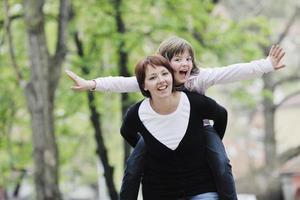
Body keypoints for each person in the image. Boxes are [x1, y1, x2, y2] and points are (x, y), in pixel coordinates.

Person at [66, 36, 285, 199]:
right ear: (164, 63)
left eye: (188, 58)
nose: (185, 64)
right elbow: (120, 83)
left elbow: (233, 72)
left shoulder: (198, 79)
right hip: (158, 131)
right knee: (133, 167)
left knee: (220, 162)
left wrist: (266, 65)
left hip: (201, 128)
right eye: (178, 59)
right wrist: (92, 84)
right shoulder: (154, 78)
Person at [121, 55, 227, 199]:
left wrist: (209, 141)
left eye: (165, 74)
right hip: (160, 192)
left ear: (171, 76)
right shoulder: (137, 114)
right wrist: (150, 145)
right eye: (152, 78)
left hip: (202, 188)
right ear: (144, 85)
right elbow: (126, 132)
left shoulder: (194, 102)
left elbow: (221, 115)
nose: (161, 80)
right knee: (131, 170)